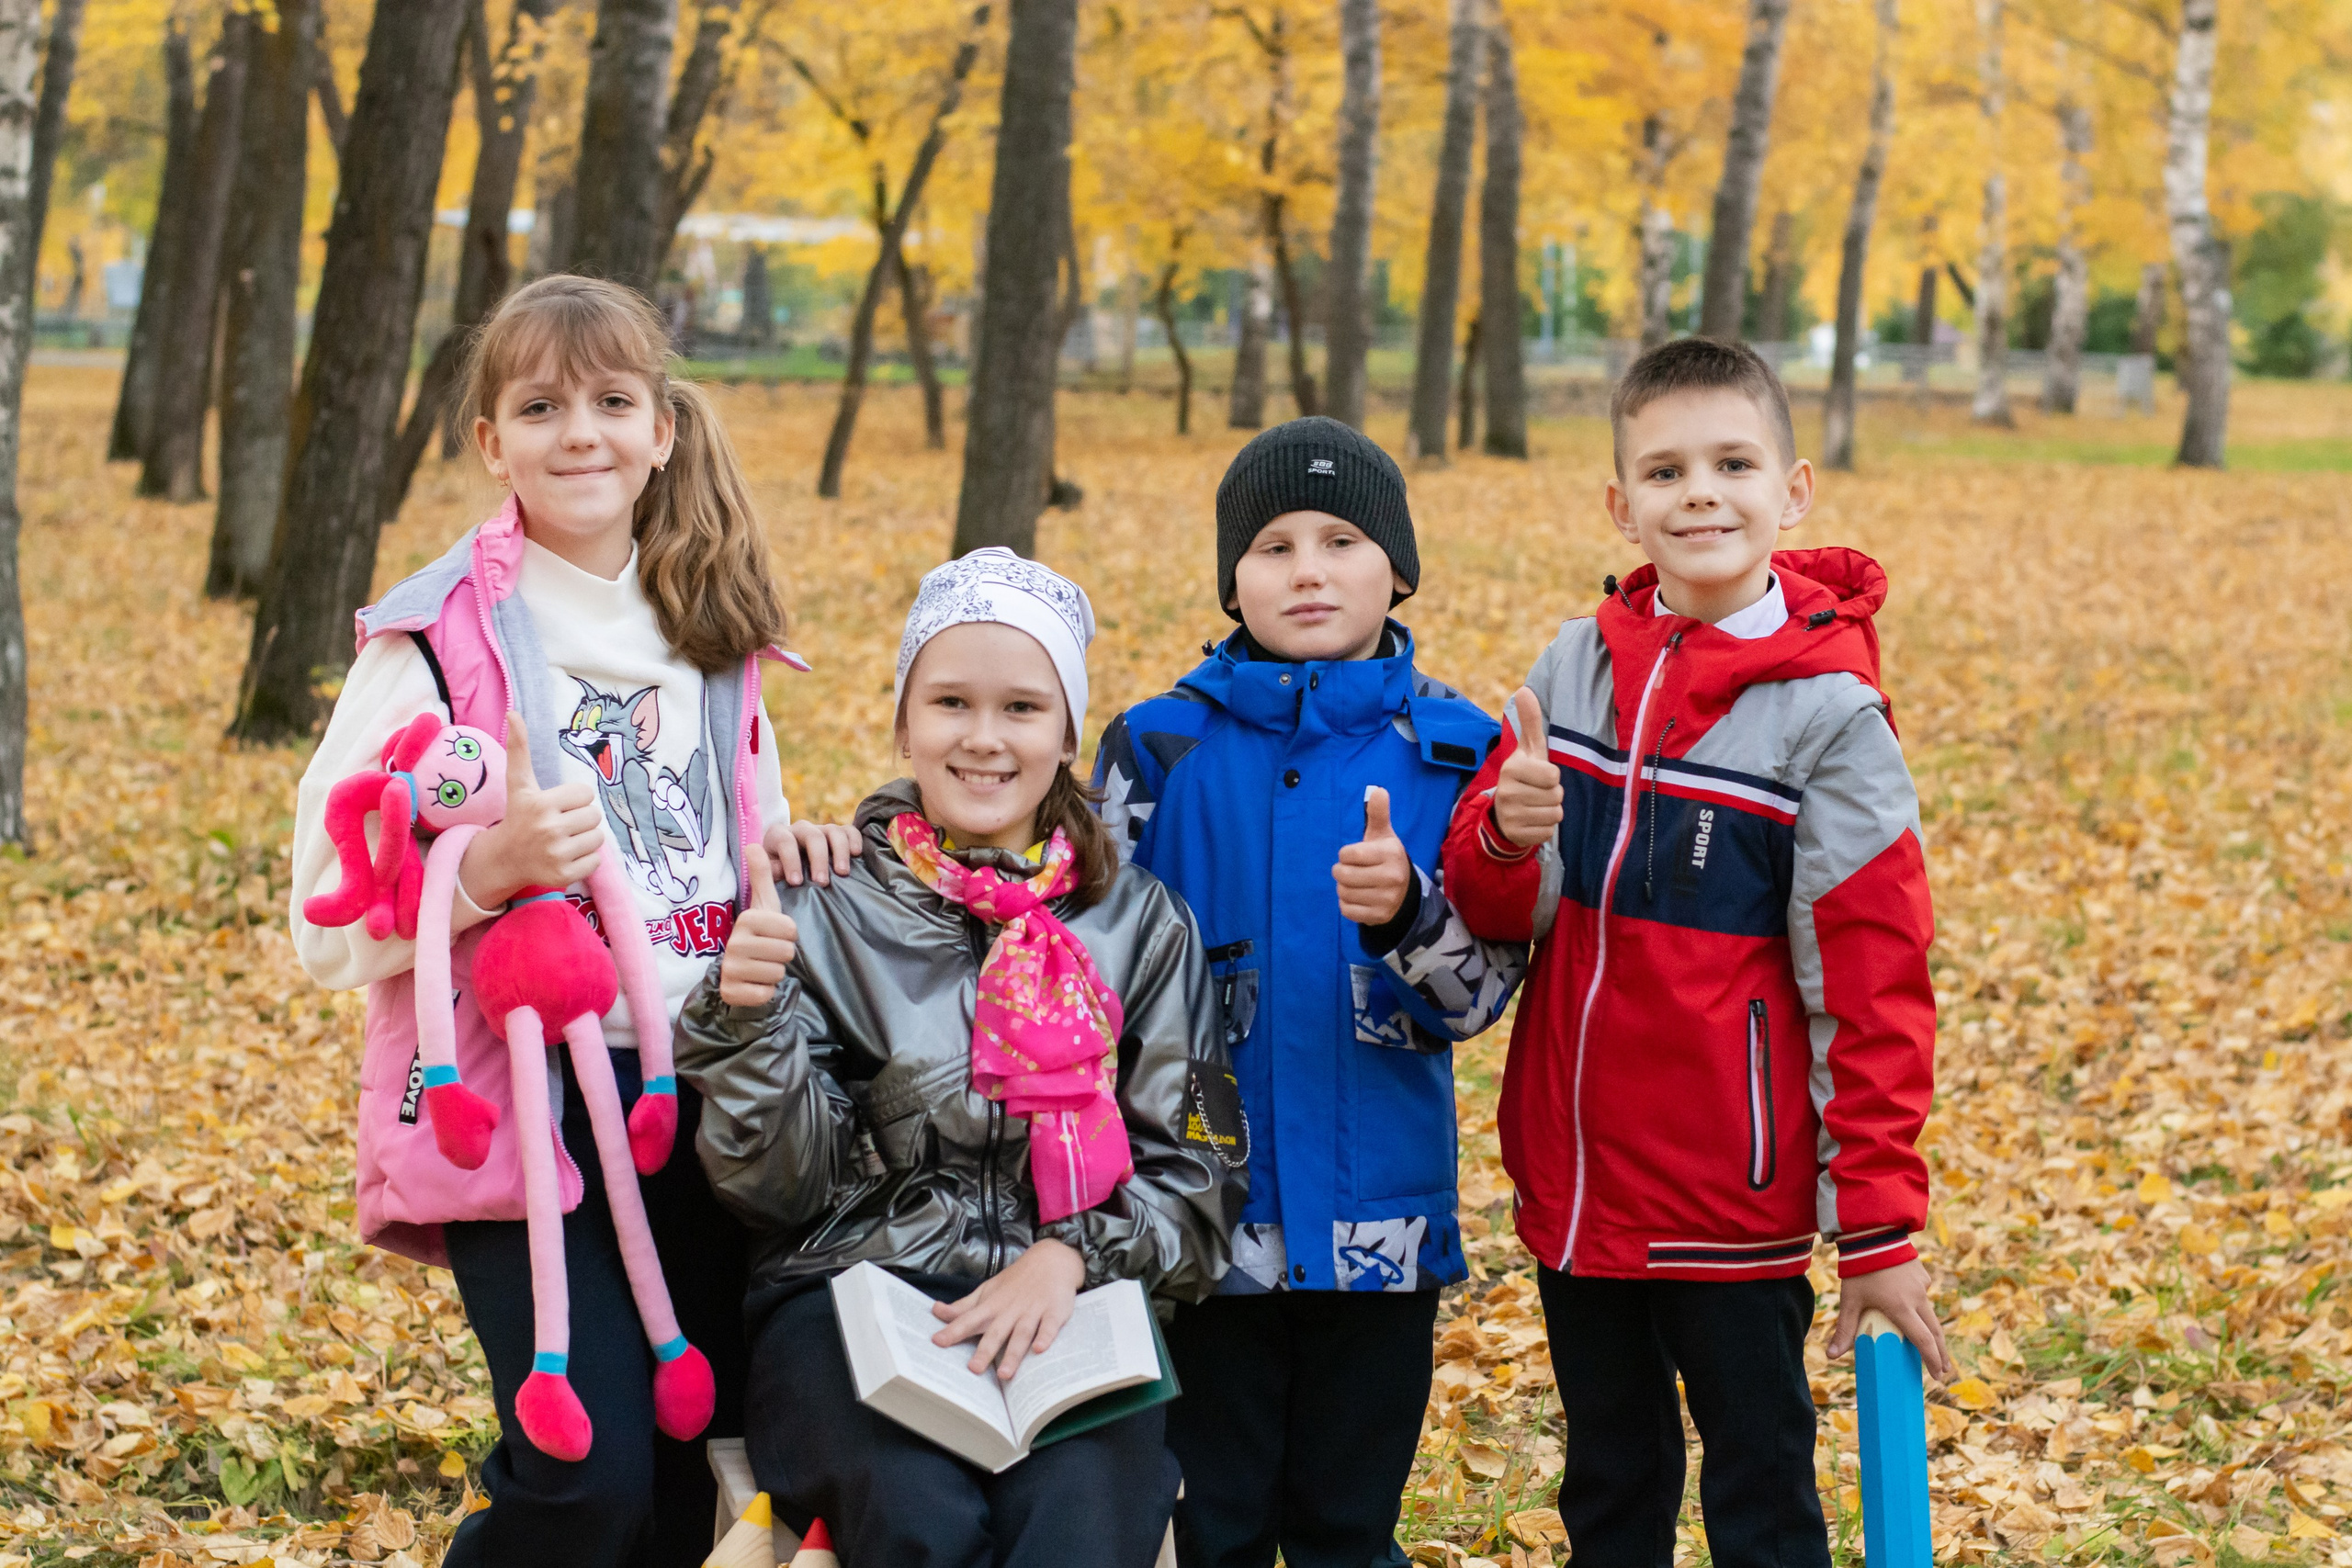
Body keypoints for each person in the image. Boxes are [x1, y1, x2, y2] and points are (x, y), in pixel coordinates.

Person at [289, 275, 842, 1567]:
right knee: (578, 1476)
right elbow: (321, 925)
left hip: (713, 1093)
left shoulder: (716, 627)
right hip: (527, 1109)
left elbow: (740, 842)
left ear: (661, 428)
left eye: (611, 400)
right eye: (539, 405)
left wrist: (791, 882)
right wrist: (484, 873)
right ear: (491, 442)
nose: (578, 431)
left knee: (686, 1476)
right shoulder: (427, 644)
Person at [1441, 337, 1951, 1568]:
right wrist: (1506, 836)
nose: (1701, 493)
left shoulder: (1829, 715)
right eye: (1665, 471)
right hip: (1579, 1186)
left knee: (1761, 1488)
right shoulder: (1571, 666)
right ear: (1623, 502)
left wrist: (1878, 1221)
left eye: (1733, 462)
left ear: (1795, 488)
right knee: (1608, 1486)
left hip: (1735, 1199)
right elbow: (1504, 903)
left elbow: (1875, 985)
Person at [678, 547, 1243, 1567]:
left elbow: (1203, 1176)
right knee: (919, 1524)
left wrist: (1073, 1253)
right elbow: (777, 1191)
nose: (983, 739)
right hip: (850, 1305)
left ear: (1070, 732)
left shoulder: (1143, 926)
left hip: (1074, 1311)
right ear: (903, 720)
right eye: (949, 702)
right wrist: (747, 1021)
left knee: (1076, 1531)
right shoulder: (818, 903)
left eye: (1023, 709)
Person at [1092, 417, 1523, 1568]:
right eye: (1273, 544)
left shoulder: (1456, 754)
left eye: (1341, 539)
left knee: (1348, 1526)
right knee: (1209, 1522)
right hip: (1199, 1220)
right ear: (1232, 579)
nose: (1308, 569)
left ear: (1397, 566)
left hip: (1379, 1221)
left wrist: (1406, 917)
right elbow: (1079, 973)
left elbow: (1479, 999)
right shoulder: (1154, 751)